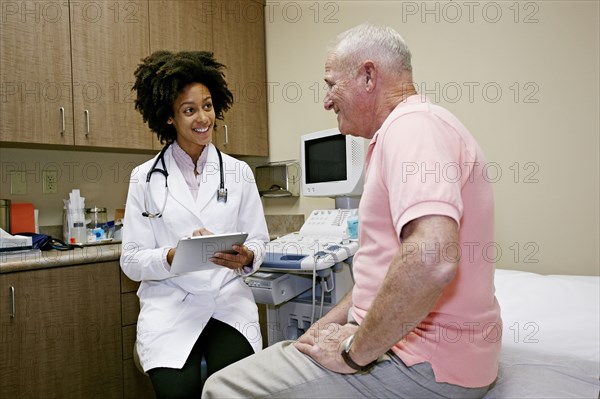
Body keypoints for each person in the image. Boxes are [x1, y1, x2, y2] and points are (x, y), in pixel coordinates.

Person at [202, 23, 501, 398]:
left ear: (369, 75)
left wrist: (354, 353)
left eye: (331, 84)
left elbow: (433, 256)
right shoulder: (407, 130)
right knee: (294, 349)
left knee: (222, 386)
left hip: (422, 363)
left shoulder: (412, 128)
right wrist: (325, 327)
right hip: (432, 355)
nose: (327, 100)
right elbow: (383, 278)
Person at [120, 50, 269, 398]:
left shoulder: (239, 173)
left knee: (234, 390)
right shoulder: (144, 178)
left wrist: (246, 256)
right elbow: (131, 260)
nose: (203, 118)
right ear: (169, 118)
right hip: (171, 302)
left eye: (208, 106)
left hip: (227, 300)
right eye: (189, 110)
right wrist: (172, 256)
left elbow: (261, 241)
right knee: (178, 392)